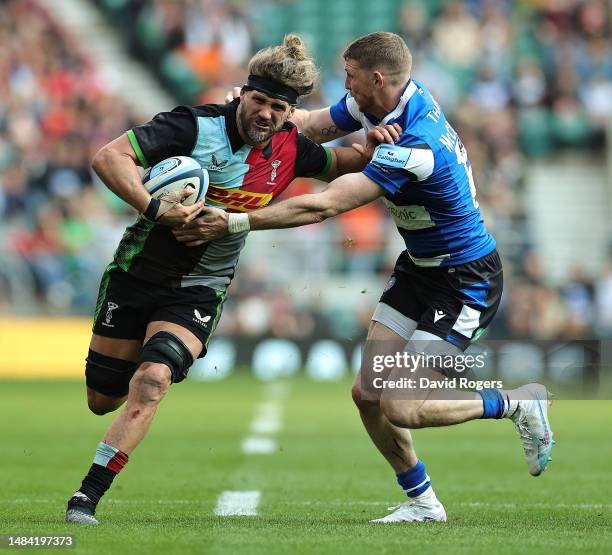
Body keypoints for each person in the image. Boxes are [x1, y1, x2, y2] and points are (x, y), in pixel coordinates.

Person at [183, 32, 555, 523]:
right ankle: (423, 504)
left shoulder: (415, 143)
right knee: (367, 395)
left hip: (466, 281)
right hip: (418, 270)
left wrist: (237, 220)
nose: (345, 84)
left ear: (376, 78)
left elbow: (326, 204)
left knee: (400, 404)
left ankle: (516, 402)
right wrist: (251, 112)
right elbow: (312, 126)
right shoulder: (380, 103)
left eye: (349, 76)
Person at [65, 34, 390, 525]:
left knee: (152, 380)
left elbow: (338, 164)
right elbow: (109, 158)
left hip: (200, 287)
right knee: (100, 399)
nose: (266, 114)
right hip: (135, 275)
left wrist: (369, 149)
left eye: (278, 107)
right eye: (259, 100)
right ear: (242, 94)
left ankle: (86, 497)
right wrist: (158, 209)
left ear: (288, 113)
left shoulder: (289, 149)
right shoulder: (192, 126)